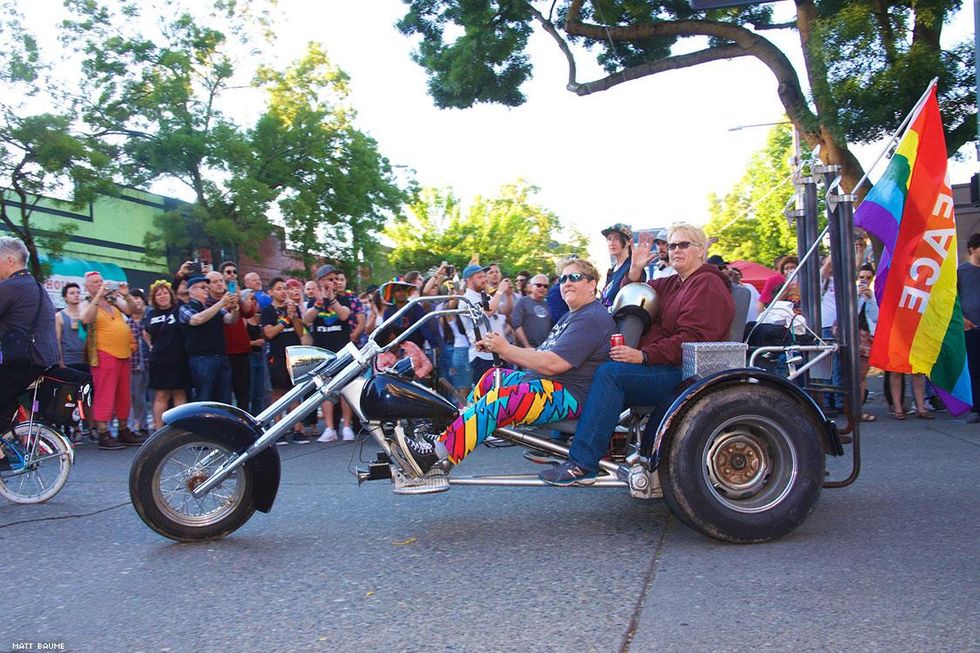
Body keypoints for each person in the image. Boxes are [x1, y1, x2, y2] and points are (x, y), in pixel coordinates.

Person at [540, 223, 735, 485]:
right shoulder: (675, 283)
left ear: (701, 250)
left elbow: (693, 339)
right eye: (672, 245)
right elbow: (635, 291)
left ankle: (583, 463)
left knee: (611, 374)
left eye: (683, 244)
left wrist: (643, 356)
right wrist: (635, 267)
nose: (675, 250)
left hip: (687, 373)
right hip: (667, 363)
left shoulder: (707, 284)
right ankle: (572, 434)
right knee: (608, 366)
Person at [397, 257, 615, 475]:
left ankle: (433, 455)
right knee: (492, 377)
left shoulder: (591, 317)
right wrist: (497, 346)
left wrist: (506, 349)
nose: (566, 282)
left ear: (592, 284)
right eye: (563, 278)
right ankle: (452, 436)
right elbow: (542, 353)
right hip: (548, 383)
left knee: (500, 400)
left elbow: (553, 364)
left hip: (569, 393)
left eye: (574, 277)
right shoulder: (573, 316)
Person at [0, 237, 58, 443]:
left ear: (9, 260)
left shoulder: (11, 286)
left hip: (25, 362)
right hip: (42, 359)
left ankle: (4, 451)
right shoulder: (37, 286)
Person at [79, 271, 143, 449]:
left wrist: (126, 294)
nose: (100, 284)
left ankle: (123, 430)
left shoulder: (113, 302)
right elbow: (85, 318)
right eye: (95, 283)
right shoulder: (87, 303)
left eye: (101, 281)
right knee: (105, 393)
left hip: (124, 353)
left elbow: (134, 310)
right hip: (103, 354)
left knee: (124, 394)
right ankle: (103, 433)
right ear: (87, 287)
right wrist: (98, 296)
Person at [303, 265, 355, 443]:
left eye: (334, 279)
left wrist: (332, 299)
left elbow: (343, 316)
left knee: (345, 388)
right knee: (325, 390)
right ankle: (329, 428)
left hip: (342, 349)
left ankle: (346, 426)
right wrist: (320, 301)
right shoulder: (314, 301)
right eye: (327, 279)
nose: (332, 282)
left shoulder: (344, 298)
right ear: (320, 282)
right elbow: (307, 319)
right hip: (322, 351)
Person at [179, 275, 239, 403]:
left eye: (207, 287)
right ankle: (202, 423)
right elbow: (197, 319)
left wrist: (235, 307)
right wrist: (221, 303)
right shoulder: (186, 308)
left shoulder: (213, 307)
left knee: (224, 399)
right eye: (202, 287)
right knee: (203, 398)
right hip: (201, 359)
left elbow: (231, 320)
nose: (206, 290)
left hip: (221, 357)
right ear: (192, 291)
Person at [261, 277, 306, 444]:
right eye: (279, 288)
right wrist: (285, 319)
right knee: (278, 392)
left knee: (295, 392)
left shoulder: (292, 308)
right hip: (277, 355)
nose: (283, 291)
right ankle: (278, 428)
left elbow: (301, 332)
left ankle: (297, 428)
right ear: (271, 292)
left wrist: (293, 316)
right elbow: (270, 333)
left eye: (284, 288)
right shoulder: (268, 311)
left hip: (293, 354)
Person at [143, 280, 190, 431]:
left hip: (178, 358)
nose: (162, 296)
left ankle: (180, 428)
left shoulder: (179, 308)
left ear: (170, 294)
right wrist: (151, 346)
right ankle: (158, 429)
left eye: (164, 293)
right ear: (154, 298)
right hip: (159, 360)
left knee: (179, 394)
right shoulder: (151, 313)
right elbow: (146, 331)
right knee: (161, 395)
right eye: (158, 294)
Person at [220, 261, 256, 409]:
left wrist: (239, 297)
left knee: (244, 393)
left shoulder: (239, 293)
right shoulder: (216, 294)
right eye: (228, 272)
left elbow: (249, 312)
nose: (232, 275)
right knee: (225, 395)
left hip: (242, 350)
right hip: (224, 352)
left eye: (234, 272)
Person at [958, 233, 980, 423]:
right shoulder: (962, 272)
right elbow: (953, 299)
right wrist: (962, 319)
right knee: (974, 369)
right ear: (972, 249)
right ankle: (976, 408)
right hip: (971, 328)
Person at [600, 223, 643, 308]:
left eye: (616, 238)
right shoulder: (611, 271)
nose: (611, 243)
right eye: (609, 239)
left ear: (628, 242)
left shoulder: (632, 267)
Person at [856, 264, 879, 423]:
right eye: (861, 277)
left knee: (862, 376)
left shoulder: (874, 296)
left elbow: (876, 317)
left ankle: (859, 409)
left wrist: (870, 299)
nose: (864, 280)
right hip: (852, 337)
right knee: (850, 375)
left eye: (868, 278)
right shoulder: (852, 294)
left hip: (866, 339)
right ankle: (849, 409)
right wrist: (857, 297)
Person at [126, 288, 150, 436]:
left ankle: (156, 425)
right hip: (134, 364)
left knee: (155, 397)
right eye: (133, 298)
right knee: (137, 397)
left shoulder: (149, 318)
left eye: (138, 298)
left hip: (151, 363)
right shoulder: (126, 323)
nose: (136, 301)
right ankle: (141, 425)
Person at [511, 274, 553, 348]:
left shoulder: (549, 304)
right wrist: (527, 346)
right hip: (525, 350)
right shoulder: (522, 301)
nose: (542, 288)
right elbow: (516, 325)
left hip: (544, 349)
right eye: (539, 285)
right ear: (531, 286)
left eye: (545, 286)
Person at [55, 282, 88, 371]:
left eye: (78, 293)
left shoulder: (85, 315)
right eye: (72, 293)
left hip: (85, 361)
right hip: (68, 361)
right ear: (65, 297)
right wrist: (60, 363)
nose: (76, 295)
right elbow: (57, 341)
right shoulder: (59, 316)